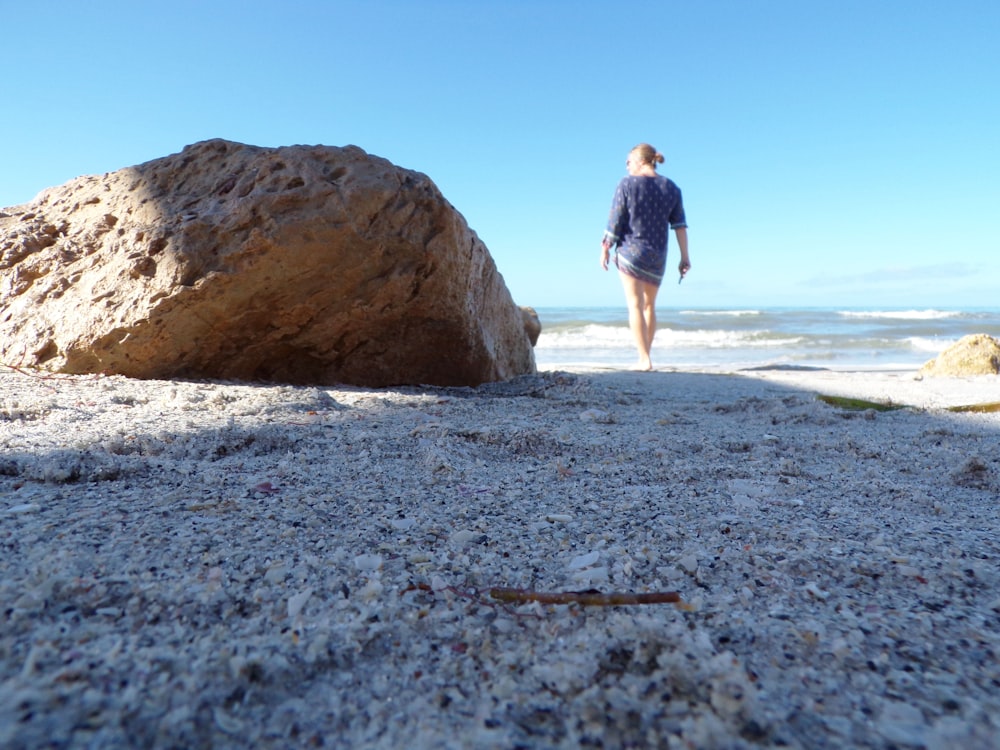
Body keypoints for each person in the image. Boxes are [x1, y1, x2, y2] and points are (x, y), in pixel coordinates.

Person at [601, 143, 690, 371]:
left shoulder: (627, 184)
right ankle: (647, 355)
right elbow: (680, 226)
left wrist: (605, 246)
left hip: (631, 251)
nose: (627, 165)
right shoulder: (671, 188)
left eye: (628, 161)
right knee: (650, 306)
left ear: (640, 161)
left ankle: (644, 359)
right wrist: (685, 257)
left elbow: (615, 219)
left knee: (635, 305)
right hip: (658, 255)